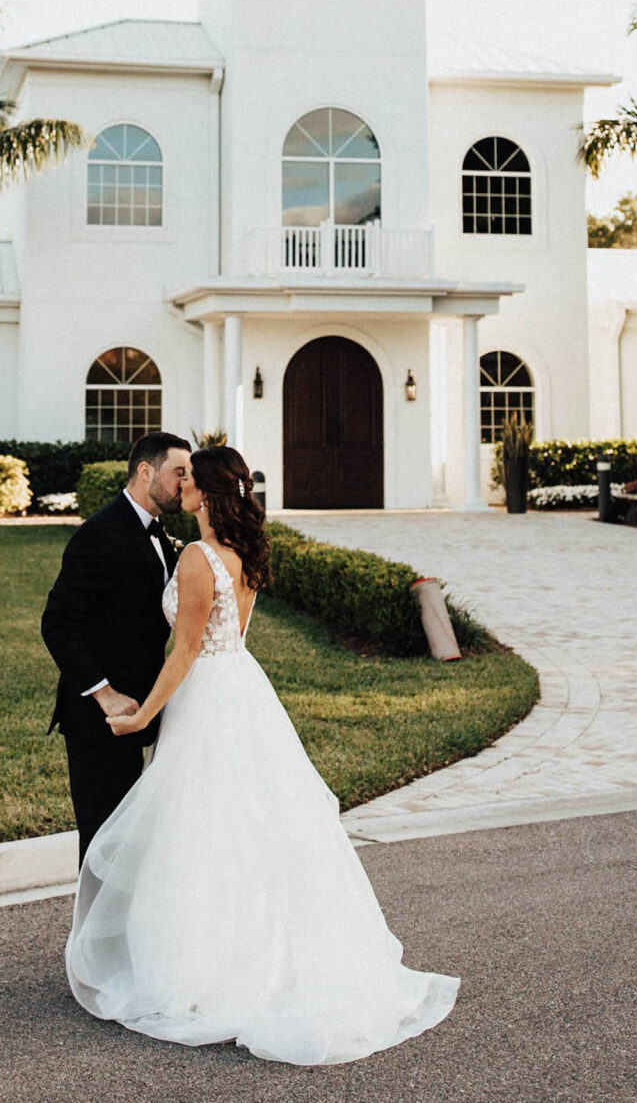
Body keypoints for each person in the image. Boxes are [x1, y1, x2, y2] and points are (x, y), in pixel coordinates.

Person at [64, 444, 459, 1066]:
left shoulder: (197, 555)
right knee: (245, 828)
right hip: (242, 690)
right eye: (178, 474)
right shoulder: (239, 553)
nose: (181, 485)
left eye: (190, 479)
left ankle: (208, 969)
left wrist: (143, 713)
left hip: (207, 698)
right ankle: (238, 949)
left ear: (209, 493)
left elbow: (186, 650)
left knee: (202, 828)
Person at [41, 430, 192, 863]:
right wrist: (105, 696)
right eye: (177, 472)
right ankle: (93, 932)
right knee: (105, 841)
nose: (184, 483)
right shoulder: (100, 533)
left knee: (136, 839)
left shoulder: (160, 533)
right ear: (145, 472)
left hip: (146, 709)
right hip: (100, 717)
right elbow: (58, 623)